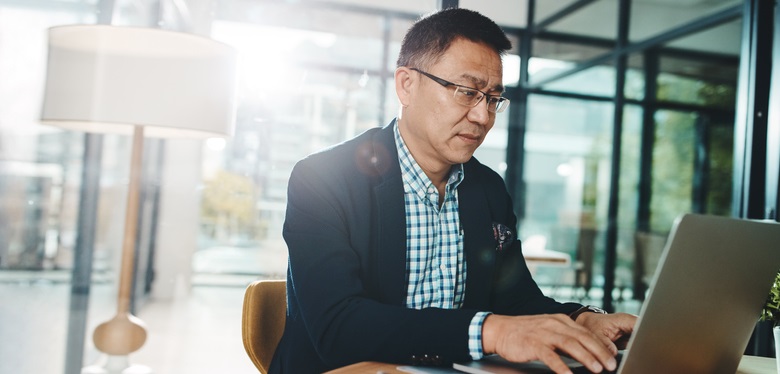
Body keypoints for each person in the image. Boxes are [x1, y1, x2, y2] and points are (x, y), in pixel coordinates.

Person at [269, 8, 636, 374]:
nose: (483, 117)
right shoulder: (321, 179)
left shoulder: (488, 188)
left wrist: (581, 320)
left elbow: (516, 299)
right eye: (466, 92)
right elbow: (337, 327)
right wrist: (489, 331)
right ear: (406, 85)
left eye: (492, 99)